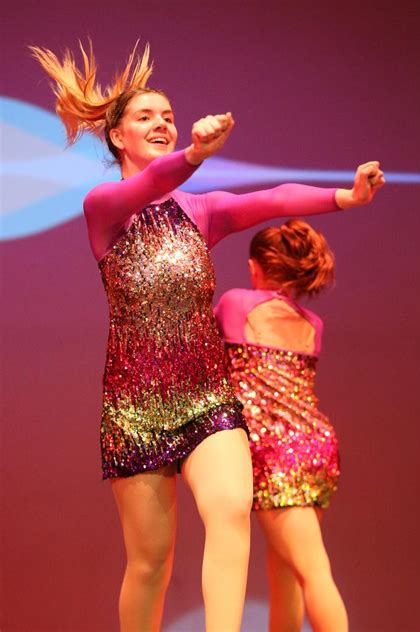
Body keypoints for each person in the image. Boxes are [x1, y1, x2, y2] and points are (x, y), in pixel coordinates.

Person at [31, 40, 384, 632]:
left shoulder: (200, 212)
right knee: (150, 564)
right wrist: (193, 152)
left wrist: (344, 198)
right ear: (117, 137)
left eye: (168, 116)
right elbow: (145, 186)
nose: (162, 124)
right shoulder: (105, 208)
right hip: (135, 408)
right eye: (146, 116)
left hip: (207, 398)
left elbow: (272, 199)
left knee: (230, 508)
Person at [214, 220, 347, 631]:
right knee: (285, 573)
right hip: (317, 447)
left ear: (256, 267)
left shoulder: (237, 304)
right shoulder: (312, 324)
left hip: (277, 453)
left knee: (312, 570)